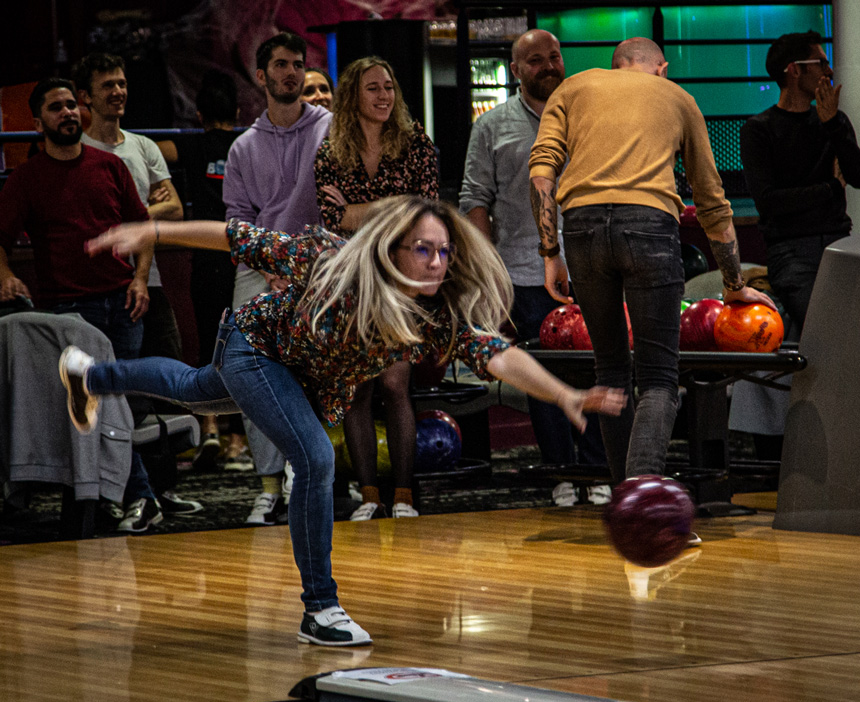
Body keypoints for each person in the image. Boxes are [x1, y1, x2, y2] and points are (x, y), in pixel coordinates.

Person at [59, 195, 626, 646]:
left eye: (444, 251)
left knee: (191, 390)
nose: (435, 262)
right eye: (422, 249)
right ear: (392, 249)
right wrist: (151, 234)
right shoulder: (327, 259)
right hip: (256, 347)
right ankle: (320, 609)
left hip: (302, 378)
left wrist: (564, 395)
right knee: (315, 457)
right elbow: (234, 236)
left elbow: (494, 353)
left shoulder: (433, 314)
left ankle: (88, 375)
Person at [528, 38, 774, 494]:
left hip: (580, 229)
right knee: (658, 378)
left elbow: (542, 171)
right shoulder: (678, 97)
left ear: (616, 65)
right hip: (649, 226)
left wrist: (550, 252)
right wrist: (735, 283)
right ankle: (641, 502)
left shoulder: (574, 88)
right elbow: (711, 201)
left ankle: (624, 499)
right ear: (660, 69)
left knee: (611, 373)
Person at [0, 77, 163, 533]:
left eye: (72, 105)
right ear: (37, 123)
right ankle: (136, 496)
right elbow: (0, 239)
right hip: (69, 313)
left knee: (121, 406)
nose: (69, 113)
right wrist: (6, 275)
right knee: (94, 408)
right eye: (56, 108)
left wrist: (140, 279)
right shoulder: (26, 179)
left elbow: (143, 225)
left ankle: (124, 495)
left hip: (122, 301)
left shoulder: (109, 165)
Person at [459, 29, 607, 506]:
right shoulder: (492, 126)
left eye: (555, 57)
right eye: (536, 60)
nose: (549, 66)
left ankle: (597, 469)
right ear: (516, 69)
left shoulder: (591, 112)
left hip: (593, 263)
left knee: (599, 366)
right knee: (545, 370)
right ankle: (560, 472)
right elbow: (475, 201)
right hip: (522, 271)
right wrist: (489, 275)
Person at [314, 56, 440, 521]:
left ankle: (404, 495)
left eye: (389, 86)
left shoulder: (415, 143)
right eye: (373, 88)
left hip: (401, 278)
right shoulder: (332, 151)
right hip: (350, 278)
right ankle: (369, 496)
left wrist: (361, 209)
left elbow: (423, 209)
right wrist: (391, 206)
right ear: (353, 97)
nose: (384, 95)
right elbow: (333, 219)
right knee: (357, 387)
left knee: (395, 383)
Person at [223, 31, 333, 525]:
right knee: (250, 375)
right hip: (259, 266)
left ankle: (308, 477)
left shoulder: (332, 128)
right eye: (282, 65)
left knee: (315, 374)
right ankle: (268, 487)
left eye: (298, 64)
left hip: (321, 265)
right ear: (262, 75)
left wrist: (303, 266)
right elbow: (237, 220)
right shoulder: (244, 147)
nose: (292, 72)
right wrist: (270, 267)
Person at [157, 70, 248, 472]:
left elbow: (152, 151)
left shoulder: (191, 146)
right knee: (248, 349)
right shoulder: (249, 146)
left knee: (212, 344)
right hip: (244, 259)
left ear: (197, 115)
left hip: (206, 259)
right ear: (240, 111)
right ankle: (237, 440)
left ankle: (209, 426)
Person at [740, 31, 860, 331]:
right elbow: (769, 202)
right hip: (791, 250)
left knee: (851, 329)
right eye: (821, 63)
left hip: (839, 241)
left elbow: (857, 176)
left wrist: (833, 124)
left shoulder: (833, 120)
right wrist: (831, 188)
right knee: (822, 329)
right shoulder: (759, 129)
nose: (829, 71)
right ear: (795, 69)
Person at [74, 53, 185, 364]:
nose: (118, 91)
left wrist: (136, 218)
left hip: (149, 278)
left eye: (122, 83)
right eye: (108, 85)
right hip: (100, 286)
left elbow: (175, 209)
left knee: (169, 365)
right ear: (86, 97)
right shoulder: (80, 152)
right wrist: (149, 207)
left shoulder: (143, 146)